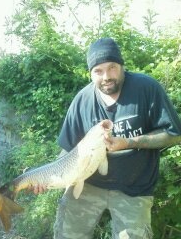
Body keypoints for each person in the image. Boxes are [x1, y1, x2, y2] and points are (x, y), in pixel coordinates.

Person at [32, 37, 181, 238]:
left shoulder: (147, 88)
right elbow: (67, 148)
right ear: (91, 73)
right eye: (98, 71)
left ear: (121, 65)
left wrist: (129, 142)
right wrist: (47, 177)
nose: (106, 76)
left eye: (112, 67)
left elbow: (173, 135)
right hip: (87, 183)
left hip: (135, 188)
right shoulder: (82, 100)